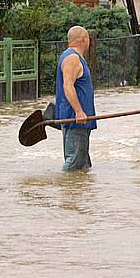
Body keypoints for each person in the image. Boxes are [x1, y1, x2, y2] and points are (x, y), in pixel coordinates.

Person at [55, 26, 96, 171]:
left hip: (81, 119)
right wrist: (78, 111)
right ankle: (67, 191)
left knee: (83, 164)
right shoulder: (72, 58)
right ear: (85, 40)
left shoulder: (73, 57)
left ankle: (79, 191)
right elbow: (68, 86)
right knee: (74, 163)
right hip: (75, 119)